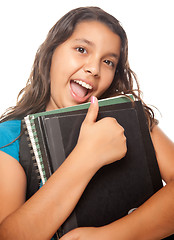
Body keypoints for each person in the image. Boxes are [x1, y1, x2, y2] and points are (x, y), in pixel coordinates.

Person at [0, 6, 174, 240]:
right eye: (81, 49)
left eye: (108, 62)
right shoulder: (10, 138)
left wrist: (111, 236)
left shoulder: (131, 120)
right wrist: (86, 157)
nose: (94, 69)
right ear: (51, 53)